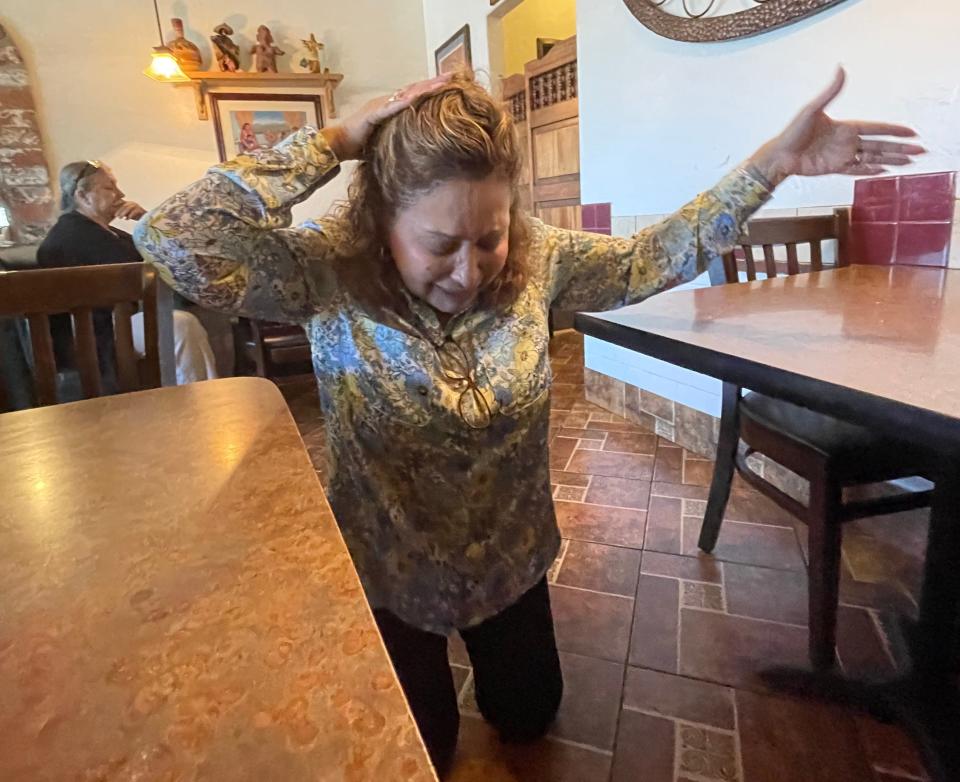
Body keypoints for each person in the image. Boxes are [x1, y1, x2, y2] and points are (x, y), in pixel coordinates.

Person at [134, 69, 923, 777]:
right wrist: (333, 142)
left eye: (489, 237)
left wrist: (769, 165)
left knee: (530, 719)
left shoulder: (540, 259)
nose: (470, 269)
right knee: (425, 751)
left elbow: (654, 254)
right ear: (380, 222)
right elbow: (171, 237)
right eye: (440, 244)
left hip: (509, 563)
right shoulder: (321, 270)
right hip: (386, 568)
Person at [38, 160, 218, 390]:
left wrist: (148, 221)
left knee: (202, 316)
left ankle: (210, 395)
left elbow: (164, 258)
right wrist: (149, 226)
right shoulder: (71, 235)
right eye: (109, 188)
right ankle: (196, 403)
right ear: (83, 195)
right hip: (98, 335)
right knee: (179, 325)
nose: (120, 194)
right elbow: (146, 275)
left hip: (124, 321)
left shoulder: (111, 234)